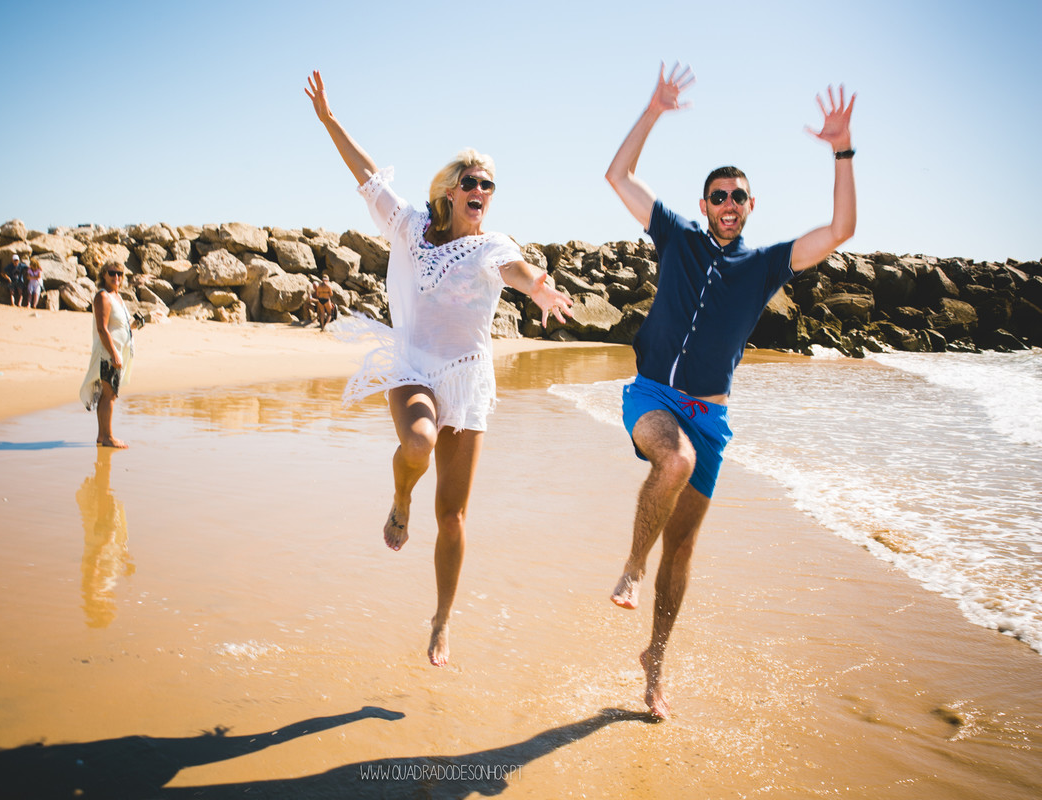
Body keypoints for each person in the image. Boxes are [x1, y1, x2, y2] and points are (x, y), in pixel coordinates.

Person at [603, 63, 856, 718]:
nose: (728, 204)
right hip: (653, 397)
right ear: (704, 204)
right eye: (718, 196)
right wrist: (653, 110)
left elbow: (840, 231)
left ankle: (655, 664)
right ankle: (631, 567)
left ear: (749, 206)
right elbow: (618, 176)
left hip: (710, 420)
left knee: (683, 549)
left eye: (738, 196)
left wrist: (841, 151)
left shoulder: (765, 264)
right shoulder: (676, 237)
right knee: (673, 461)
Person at [305, 70, 573, 667]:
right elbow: (368, 176)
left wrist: (540, 288)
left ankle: (442, 620)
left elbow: (519, 271)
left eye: (489, 184)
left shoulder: (491, 245)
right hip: (413, 366)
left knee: (452, 518)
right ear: (450, 191)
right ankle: (401, 499)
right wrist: (329, 121)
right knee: (419, 439)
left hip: (467, 378)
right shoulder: (408, 228)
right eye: (471, 182)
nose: (481, 190)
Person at [79, 261, 138, 449]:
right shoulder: (103, 297)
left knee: (107, 394)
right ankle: (109, 437)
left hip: (116, 352)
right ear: (103, 274)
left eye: (120, 273)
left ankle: (101, 435)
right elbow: (102, 329)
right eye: (112, 273)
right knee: (110, 394)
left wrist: (137, 324)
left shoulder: (117, 297)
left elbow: (121, 326)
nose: (116, 277)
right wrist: (113, 353)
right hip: (108, 353)